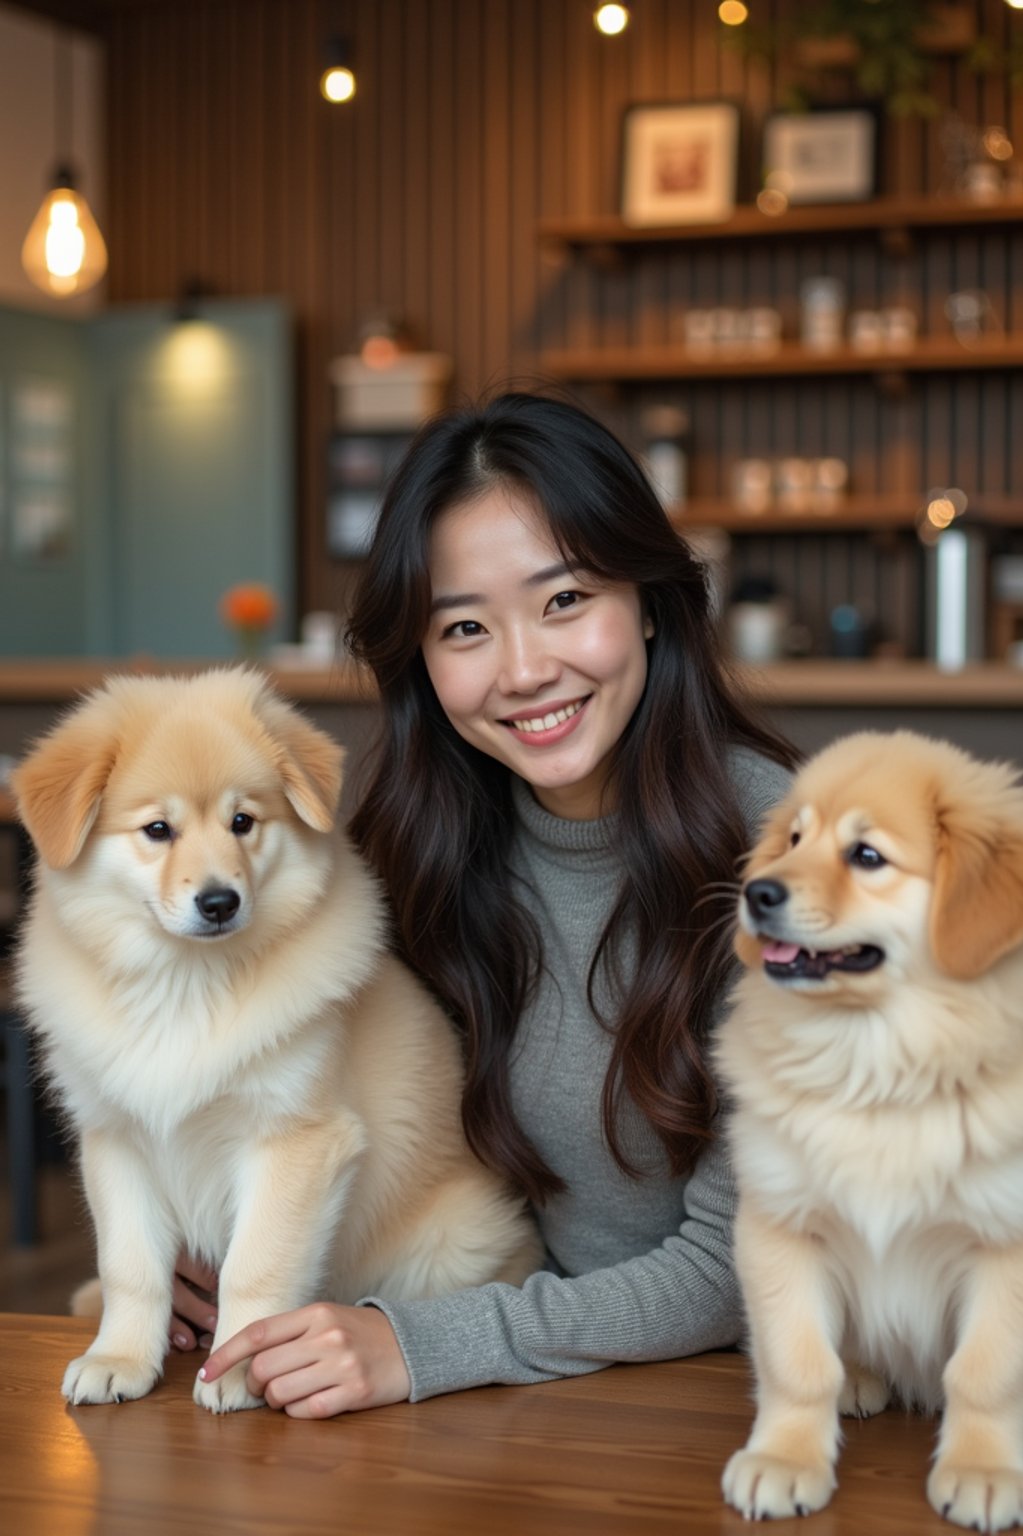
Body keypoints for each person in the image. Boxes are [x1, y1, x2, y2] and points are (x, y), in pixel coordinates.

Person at [191, 390, 797, 1418]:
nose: (524, 671)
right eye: (465, 626)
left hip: (749, 1410)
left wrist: (426, 1342)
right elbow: (335, 1124)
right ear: (421, 662)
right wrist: (220, 1256)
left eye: (565, 601)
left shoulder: (782, 852)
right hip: (527, 1403)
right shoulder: (408, 853)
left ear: (648, 600)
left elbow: (748, 1261)